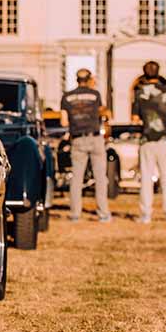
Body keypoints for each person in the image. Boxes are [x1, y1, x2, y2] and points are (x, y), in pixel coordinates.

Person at [60, 68, 112, 223]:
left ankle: (75, 214)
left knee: (77, 178)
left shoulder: (67, 97)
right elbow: (102, 112)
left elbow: (63, 121)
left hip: (78, 139)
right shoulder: (95, 95)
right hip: (95, 138)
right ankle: (103, 213)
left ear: (76, 80)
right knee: (100, 177)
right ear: (89, 80)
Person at [132, 61, 166, 224]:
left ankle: (146, 214)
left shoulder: (139, 93)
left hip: (146, 140)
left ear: (144, 74)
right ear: (159, 73)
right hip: (164, 139)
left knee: (146, 177)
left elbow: (135, 118)